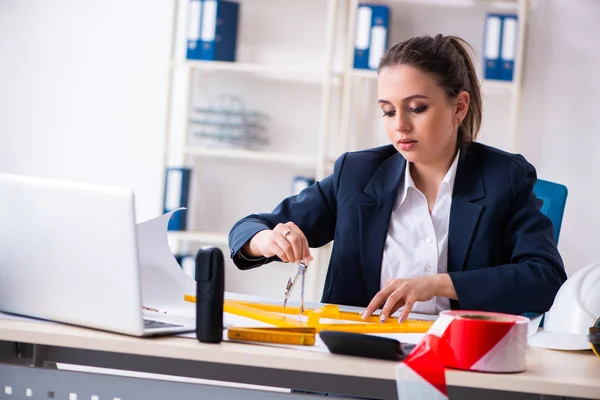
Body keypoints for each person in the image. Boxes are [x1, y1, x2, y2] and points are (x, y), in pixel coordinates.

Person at [227, 34, 567, 322]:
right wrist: (268, 239)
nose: (399, 125)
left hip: (457, 364)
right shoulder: (357, 175)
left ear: (459, 107)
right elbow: (251, 226)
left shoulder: (503, 178)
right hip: (357, 360)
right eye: (388, 111)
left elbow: (545, 279)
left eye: (416, 108)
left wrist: (435, 284)